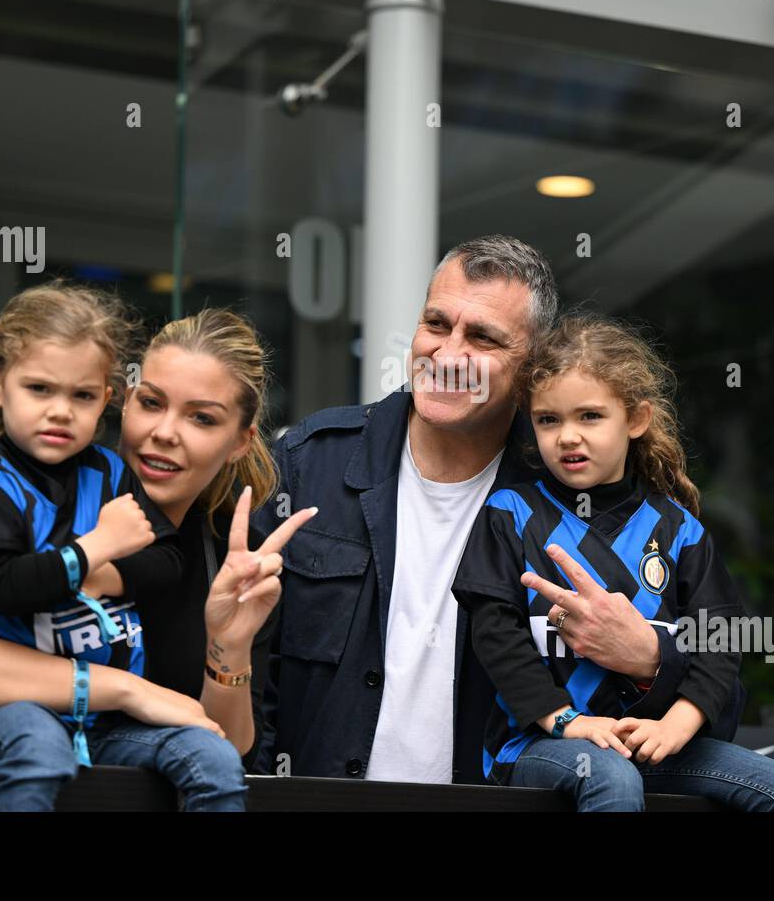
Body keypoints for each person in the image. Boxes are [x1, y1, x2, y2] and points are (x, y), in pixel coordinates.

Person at [249, 235, 746, 786]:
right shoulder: (310, 462)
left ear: (531, 368)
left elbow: (721, 705)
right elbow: (250, 660)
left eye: (482, 337)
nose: (448, 354)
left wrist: (650, 658)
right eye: (436, 324)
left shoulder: (572, 485)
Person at [0, 296, 313, 810]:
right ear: (121, 402)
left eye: (202, 419)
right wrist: (123, 689)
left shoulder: (231, 560)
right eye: (151, 403)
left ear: (240, 440)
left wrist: (227, 643)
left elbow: (226, 747)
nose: (164, 432)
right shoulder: (37, 510)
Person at [452, 312, 774, 811]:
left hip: (652, 743)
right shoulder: (510, 513)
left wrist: (678, 723)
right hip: (539, 743)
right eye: (548, 420)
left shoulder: (679, 528)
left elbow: (721, 640)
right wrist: (566, 720)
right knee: (612, 778)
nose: (567, 436)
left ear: (637, 420)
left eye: (590, 416)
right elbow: (495, 636)